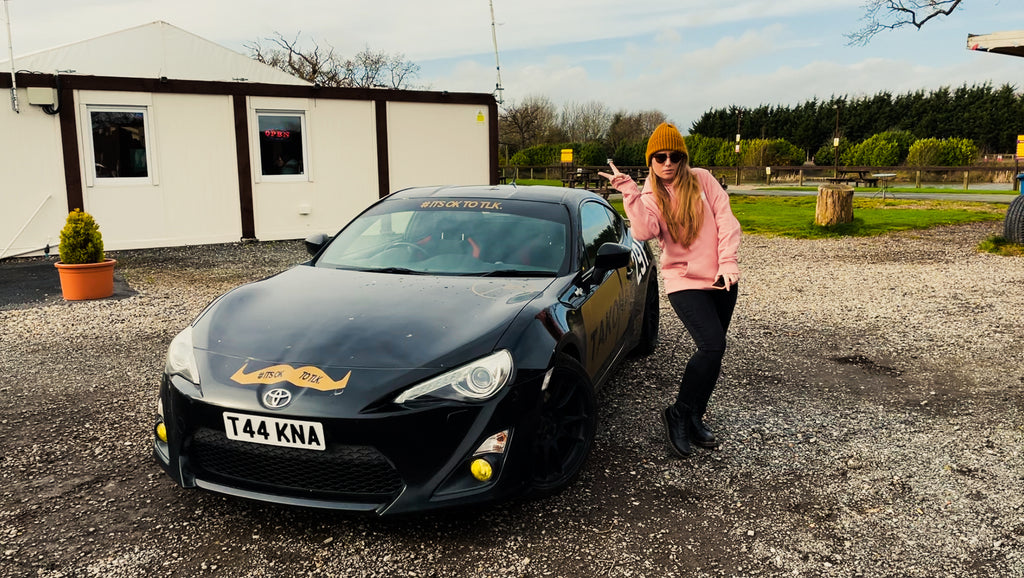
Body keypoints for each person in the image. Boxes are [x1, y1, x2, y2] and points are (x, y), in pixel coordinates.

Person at [599, 122, 742, 458]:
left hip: (722, 277)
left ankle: (694, 416)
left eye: (674, 156)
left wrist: (728, 262)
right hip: (683, 281)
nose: (667, 163)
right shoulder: (649, 195)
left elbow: (726, 220)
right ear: (651, 160)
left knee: (714, 354)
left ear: (682, 157)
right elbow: (645, 232)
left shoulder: (703, 180)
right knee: (711, 345)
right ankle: (677, 413)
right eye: (659, 157)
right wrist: (630, 194)